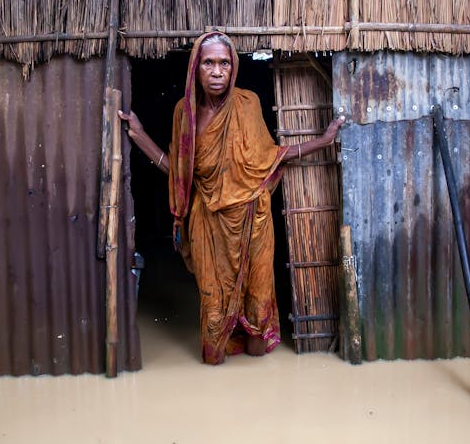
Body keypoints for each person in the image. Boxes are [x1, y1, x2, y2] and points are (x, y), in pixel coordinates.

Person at [119, 32, 345, 364]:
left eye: (224, 63)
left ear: (233, 67)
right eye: (208, 63)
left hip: (254, 221)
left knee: (257, 306)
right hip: (209, 225)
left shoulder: (247, 103)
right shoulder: (186, 111)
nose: (216, 71)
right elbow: (179, 171)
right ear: (195, 67)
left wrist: (322, 141)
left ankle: (256, 401)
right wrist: (139, 135)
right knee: (213, 314)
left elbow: (271, 156)